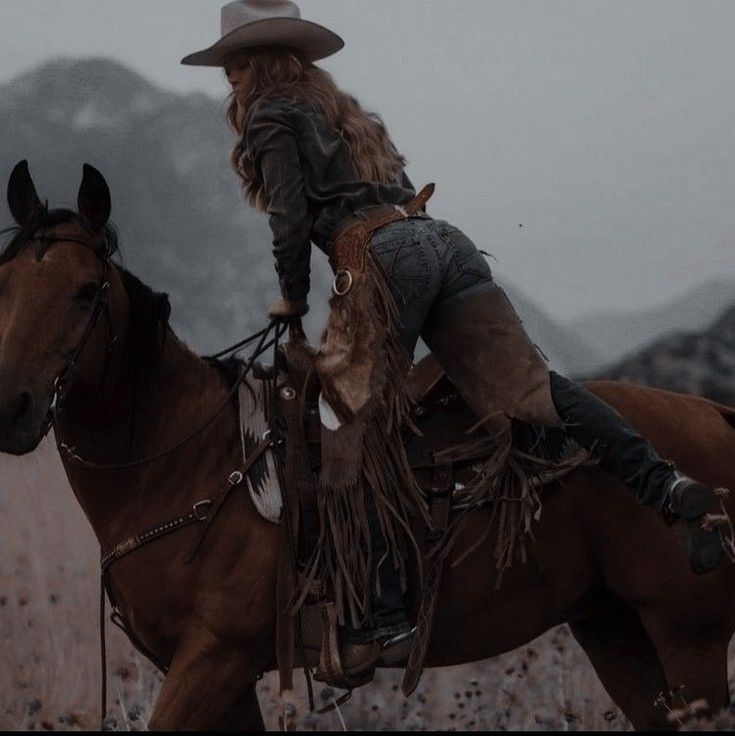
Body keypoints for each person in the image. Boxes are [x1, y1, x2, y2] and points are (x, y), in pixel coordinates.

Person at [182, 0, 724, 677]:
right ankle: (665, 486)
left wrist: (292, 298)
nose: (228, 79)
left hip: (374, 259)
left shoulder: (269, 114)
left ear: (249, 65)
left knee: (341, 426)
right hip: (443, 243)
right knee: (535, 393)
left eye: (231, 64)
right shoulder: (346, 112)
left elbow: (290, 221)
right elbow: (404, 198)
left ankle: (383, 620)